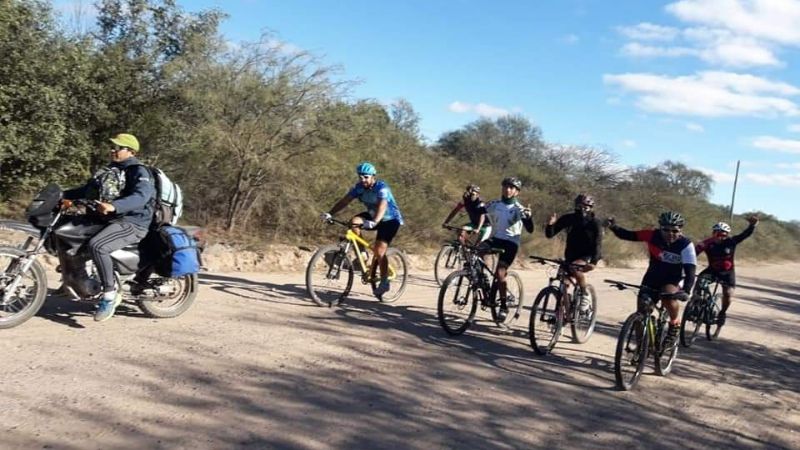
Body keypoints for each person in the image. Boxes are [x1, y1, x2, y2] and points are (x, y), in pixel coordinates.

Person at [61, 133, 155, 322]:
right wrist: (62, 195)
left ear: (131, 151)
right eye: (112, 147)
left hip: (133, 221)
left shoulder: (139, 171)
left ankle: (109, 296)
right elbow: (87, 190)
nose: (113, 150)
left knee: (98, 246)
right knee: (69, 232)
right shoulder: (110, 170)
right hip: (109, 219)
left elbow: (141, 196)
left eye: (118, 147)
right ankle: (76, 279)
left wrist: (114, 206)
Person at [606, 211, 696, 348]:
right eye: (666, 230)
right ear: (660, 228)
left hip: (673, 279)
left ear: (680, 230)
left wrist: (687, 290)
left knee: (667, 295)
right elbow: (628, 235)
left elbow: (690, 271)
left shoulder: (686, 245)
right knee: (641, 312)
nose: (670, 234)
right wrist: (613, 227)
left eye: (675, 231)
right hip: (652, 277)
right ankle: (642, 348)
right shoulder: (651, 235)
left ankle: (674, 324)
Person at [321, 162, 403, 298]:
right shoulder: (359, 188)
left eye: (366, 177)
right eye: (360, 177)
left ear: (373, 176)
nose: (362, 179)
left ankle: (384, 281)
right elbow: (344, 201)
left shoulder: (382, 188)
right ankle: (362, 253)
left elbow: (382, 205)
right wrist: (330, 213)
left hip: (390, 220)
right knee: (354, 222)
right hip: (373, 216)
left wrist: (375, 221)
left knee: (379, 251)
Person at [483, 177, 534, 320]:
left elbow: (530, 229)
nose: (507, 190)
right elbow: (478, 214)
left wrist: (528, 217)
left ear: (517, 192)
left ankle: (503, 306)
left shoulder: (519, 209)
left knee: (500, 273)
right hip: (495, 238)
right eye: (505, 186)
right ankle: (483, 279)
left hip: (510, 243)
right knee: (475, 251)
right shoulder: (494, 204)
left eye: (511, 188)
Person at [694, 216, 759, 325]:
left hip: (727, 273)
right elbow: (693, 253)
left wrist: (752, 226)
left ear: (727, 235)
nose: (720, 237)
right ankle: (696, 305)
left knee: (728, 293)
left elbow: (745, 234)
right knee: (700, 282)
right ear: (713, 233)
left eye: (723, 235)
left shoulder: (731, 242)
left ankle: (722, 313)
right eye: (717, 234)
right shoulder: (706, 243)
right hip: (712, 271)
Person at [545, 193, 603, 312]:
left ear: (591, 208)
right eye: (579, 206)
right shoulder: (569, 218)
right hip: (570, 255)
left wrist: (593, 262)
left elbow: (598, 244)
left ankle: (584, 294)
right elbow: (550, 234)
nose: (582, 209)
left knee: (575, 268)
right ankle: (562, 315)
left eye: (586, 206)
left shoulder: (595, 223)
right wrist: (550, 224)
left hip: (587, 255)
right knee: (564, 283)